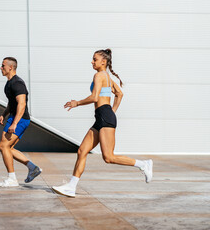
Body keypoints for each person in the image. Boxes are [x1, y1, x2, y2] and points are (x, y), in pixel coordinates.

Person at [52, 49, 153, 197]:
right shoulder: (107, 77)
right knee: (82, 151)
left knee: (109, 157)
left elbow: (94, 97)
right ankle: (71, 187)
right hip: (102, 117)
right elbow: (119, 94)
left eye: (95, 59)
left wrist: (77, 103)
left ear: (103, 62)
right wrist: (112, 110)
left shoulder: (99, 75)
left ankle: (144, 164)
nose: (92, 62)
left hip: (105, 116)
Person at [0, 57, 42, 187]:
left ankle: (12, 179)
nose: (1, 68)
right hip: (15, 117)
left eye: (3, 65)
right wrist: (4, 114)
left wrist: (15, 123)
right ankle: (33, 168)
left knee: (3, 146)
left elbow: (21, 104)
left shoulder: (17, 83)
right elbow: (12, 103)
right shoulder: (9, 83)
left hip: (20, 119)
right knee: (8, 148)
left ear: (10, 67)